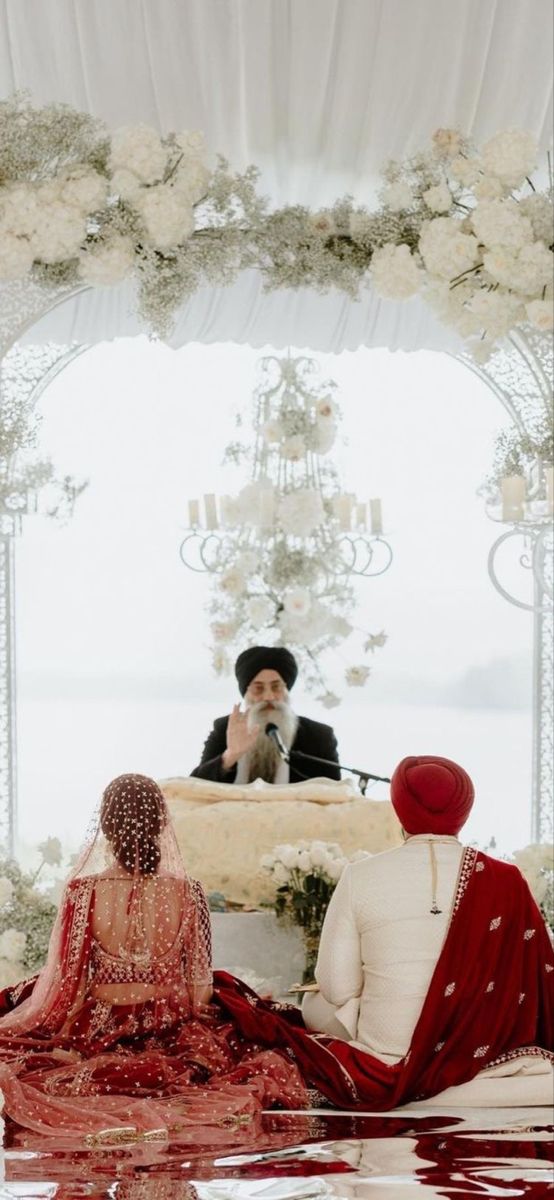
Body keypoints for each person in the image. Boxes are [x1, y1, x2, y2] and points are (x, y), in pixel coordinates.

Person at [215, 755, 553, 1109]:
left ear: (399, 807)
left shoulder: (361, 875)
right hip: (482, 1051)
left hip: (386, 1055)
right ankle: (475, 1077)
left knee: (315, 1001)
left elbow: (337, 987)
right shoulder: (507, 880)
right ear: (464, 810)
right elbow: (536, 982)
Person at [0, 774, 306, 1143]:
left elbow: (71, 985)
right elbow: (199, 990)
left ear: (106, 826)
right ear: (161, 824)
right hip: (168, 1027)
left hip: (98, 1030)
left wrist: (65, 1037)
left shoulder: (83, 893)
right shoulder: (189, 893)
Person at [190, 645, 340, 784]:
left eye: (276, 687)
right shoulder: (226, 729)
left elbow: (337, 795)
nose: (268, 696)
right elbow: (193, 786)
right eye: (258, 688)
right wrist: (230, 755)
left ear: (287, 690)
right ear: (246, 693)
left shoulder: (319, 736)